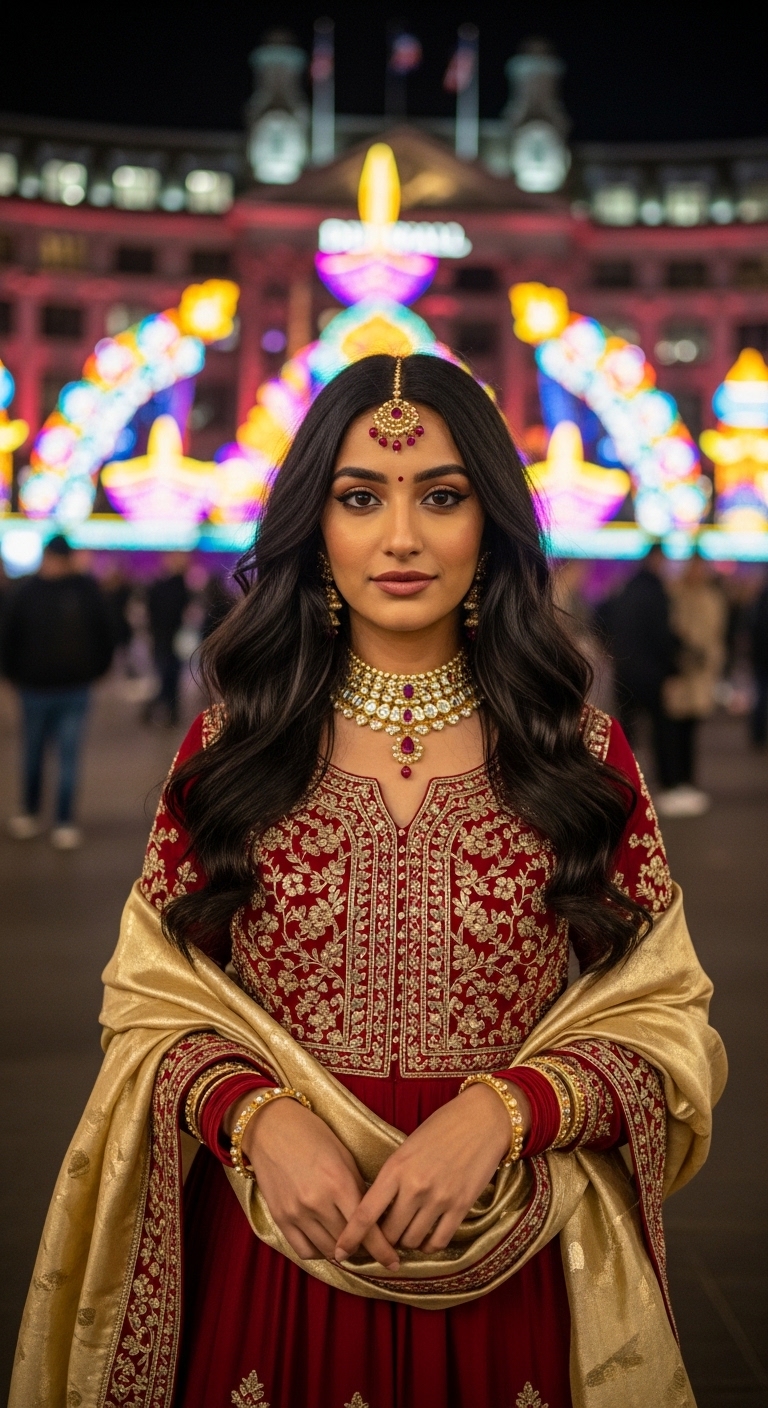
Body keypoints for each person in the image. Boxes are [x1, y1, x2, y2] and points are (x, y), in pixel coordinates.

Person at [12, 356, 725, 1408]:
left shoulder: (577, 753)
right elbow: (149, 1001)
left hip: (512, 1258)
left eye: (441, 495)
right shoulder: (231, 752)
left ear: (491, 525)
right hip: (276, 1252)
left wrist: (507, 1111)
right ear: (316, 524)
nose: (401, 537)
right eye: (360, 497)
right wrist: (256, 1119)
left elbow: (665, 1016)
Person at [0, 533, 114, 849]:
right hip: (33, 689)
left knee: (68, 755)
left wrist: (97, 671)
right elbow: (9, 635)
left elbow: (106, 634)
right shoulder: (26, 591)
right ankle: (30, 811)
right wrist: (11, 675)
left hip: (74, 689)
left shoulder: (86, 590)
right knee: (33, 753)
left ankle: (64, 819)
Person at [596, 545, 682, 795]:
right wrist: (673, 665)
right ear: (657, 559)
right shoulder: (655, 591)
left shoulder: (626, 588)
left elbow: (601, 616)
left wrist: (610, 648)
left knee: (627, 733)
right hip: (653, 672)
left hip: (625, 669)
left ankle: (624, 783)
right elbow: (661, 635)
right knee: (663, 732)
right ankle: (668, 784)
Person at [659, 554, 728, 816]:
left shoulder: (711, 598)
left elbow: (717, 634)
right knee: (673, 729)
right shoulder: (675, 594)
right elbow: (670, 632)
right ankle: (674, 782)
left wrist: (710, 660)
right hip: (679, 672)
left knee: (690, 729)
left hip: (699, 674)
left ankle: (687, 781)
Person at [144, 553, 191, 725]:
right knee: (167, 678)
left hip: (168, 640)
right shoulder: (172, 586)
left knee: (169, 679)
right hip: (166, 640)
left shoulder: (170, 585)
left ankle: (166, 712)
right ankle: (162, 711)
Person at [749, 573, 768, 748]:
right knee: (761, 697)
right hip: (763, 657)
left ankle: (758, 735)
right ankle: (758, 734)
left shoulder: (761, 599)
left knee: (761, 697)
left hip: (761, 657)